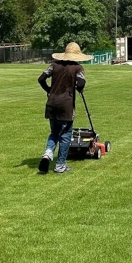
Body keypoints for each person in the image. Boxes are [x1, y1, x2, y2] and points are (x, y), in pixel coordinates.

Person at [37, 42, 91, 174]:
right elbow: (81, 83)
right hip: (66, 105)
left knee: (54, 132)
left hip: (51, 104)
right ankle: (60, 165)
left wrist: (49, 90)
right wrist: (79, 88)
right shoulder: (77, 68)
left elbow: (41, 78)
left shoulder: (54, 65)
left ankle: (47, 154)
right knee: (66, 135)